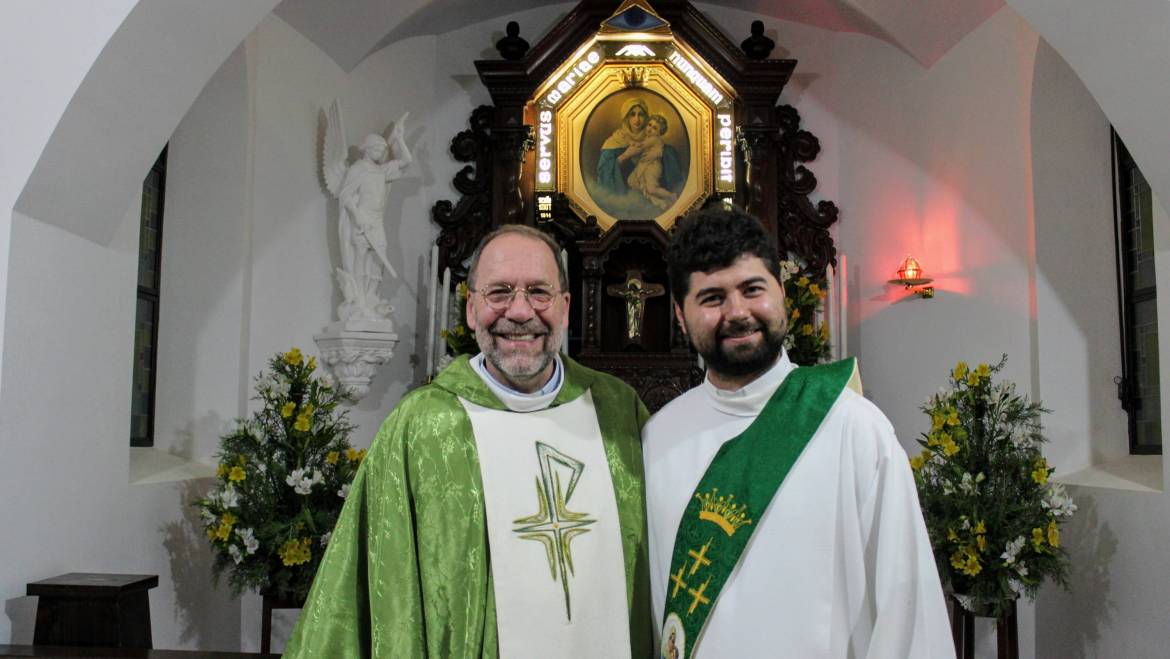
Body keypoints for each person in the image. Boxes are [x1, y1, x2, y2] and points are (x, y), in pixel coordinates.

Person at [284, 225, 653, 659]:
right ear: (471, 309)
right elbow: (369, 588)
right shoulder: (421, 427)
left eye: (539, 292)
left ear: (565, 307)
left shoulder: (617, 411)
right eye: (499, 293)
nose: (519, 312)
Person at [643, 205, 954, 658]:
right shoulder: (660, 437)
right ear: (680, 314)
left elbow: (908, 613)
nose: (737, 312)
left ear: (781, 294)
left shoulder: (855, 429)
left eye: (753, 289)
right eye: (711, 298)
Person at [335, 123, 409, 322]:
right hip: (362, 220)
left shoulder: (380, 171)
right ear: (366, 149)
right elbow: (345, 196)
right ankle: (359, 302)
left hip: (376, 221)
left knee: (379, 259)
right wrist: (357, 215)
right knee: (360, 258)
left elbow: (406, 161)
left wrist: (400, 139)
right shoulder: (357, 169)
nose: (378, 153)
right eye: (375, 148)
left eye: (381, 150)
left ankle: (371, 297)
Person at [596, 97, 682, 198]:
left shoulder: (653, 140)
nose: (637, 120)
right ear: (626, 117)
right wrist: (625, 156)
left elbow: (672, 174)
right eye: (632, 114)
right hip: (624, 198)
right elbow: (603, 172)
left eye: (641, 114)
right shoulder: (616, 140)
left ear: (646, 117)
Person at [627, 115, 679, 210]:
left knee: (651, 189)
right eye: (649, 125)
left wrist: (630, 142)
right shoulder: (648, 138)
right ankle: (660, 202)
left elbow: (640, 146)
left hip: (652, 167)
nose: (650, 129)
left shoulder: (655, 139)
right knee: (633, 182)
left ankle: (671, 196)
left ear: (660, 132)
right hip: (644, 166)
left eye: (655, 128)